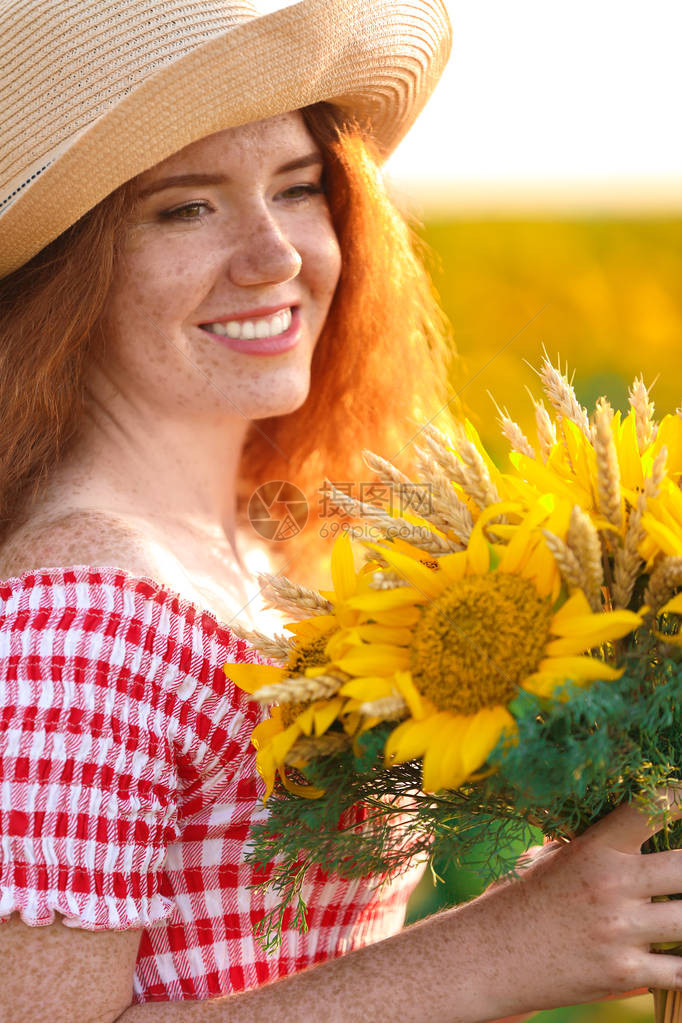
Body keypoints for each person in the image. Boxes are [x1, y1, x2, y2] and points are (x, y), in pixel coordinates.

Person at [1, 2, 682, 1022]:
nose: (275, 256)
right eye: (185, 208)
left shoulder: (260, 553)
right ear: (63, 267)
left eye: (299, 188)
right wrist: (505, 947)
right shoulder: (80, 625)